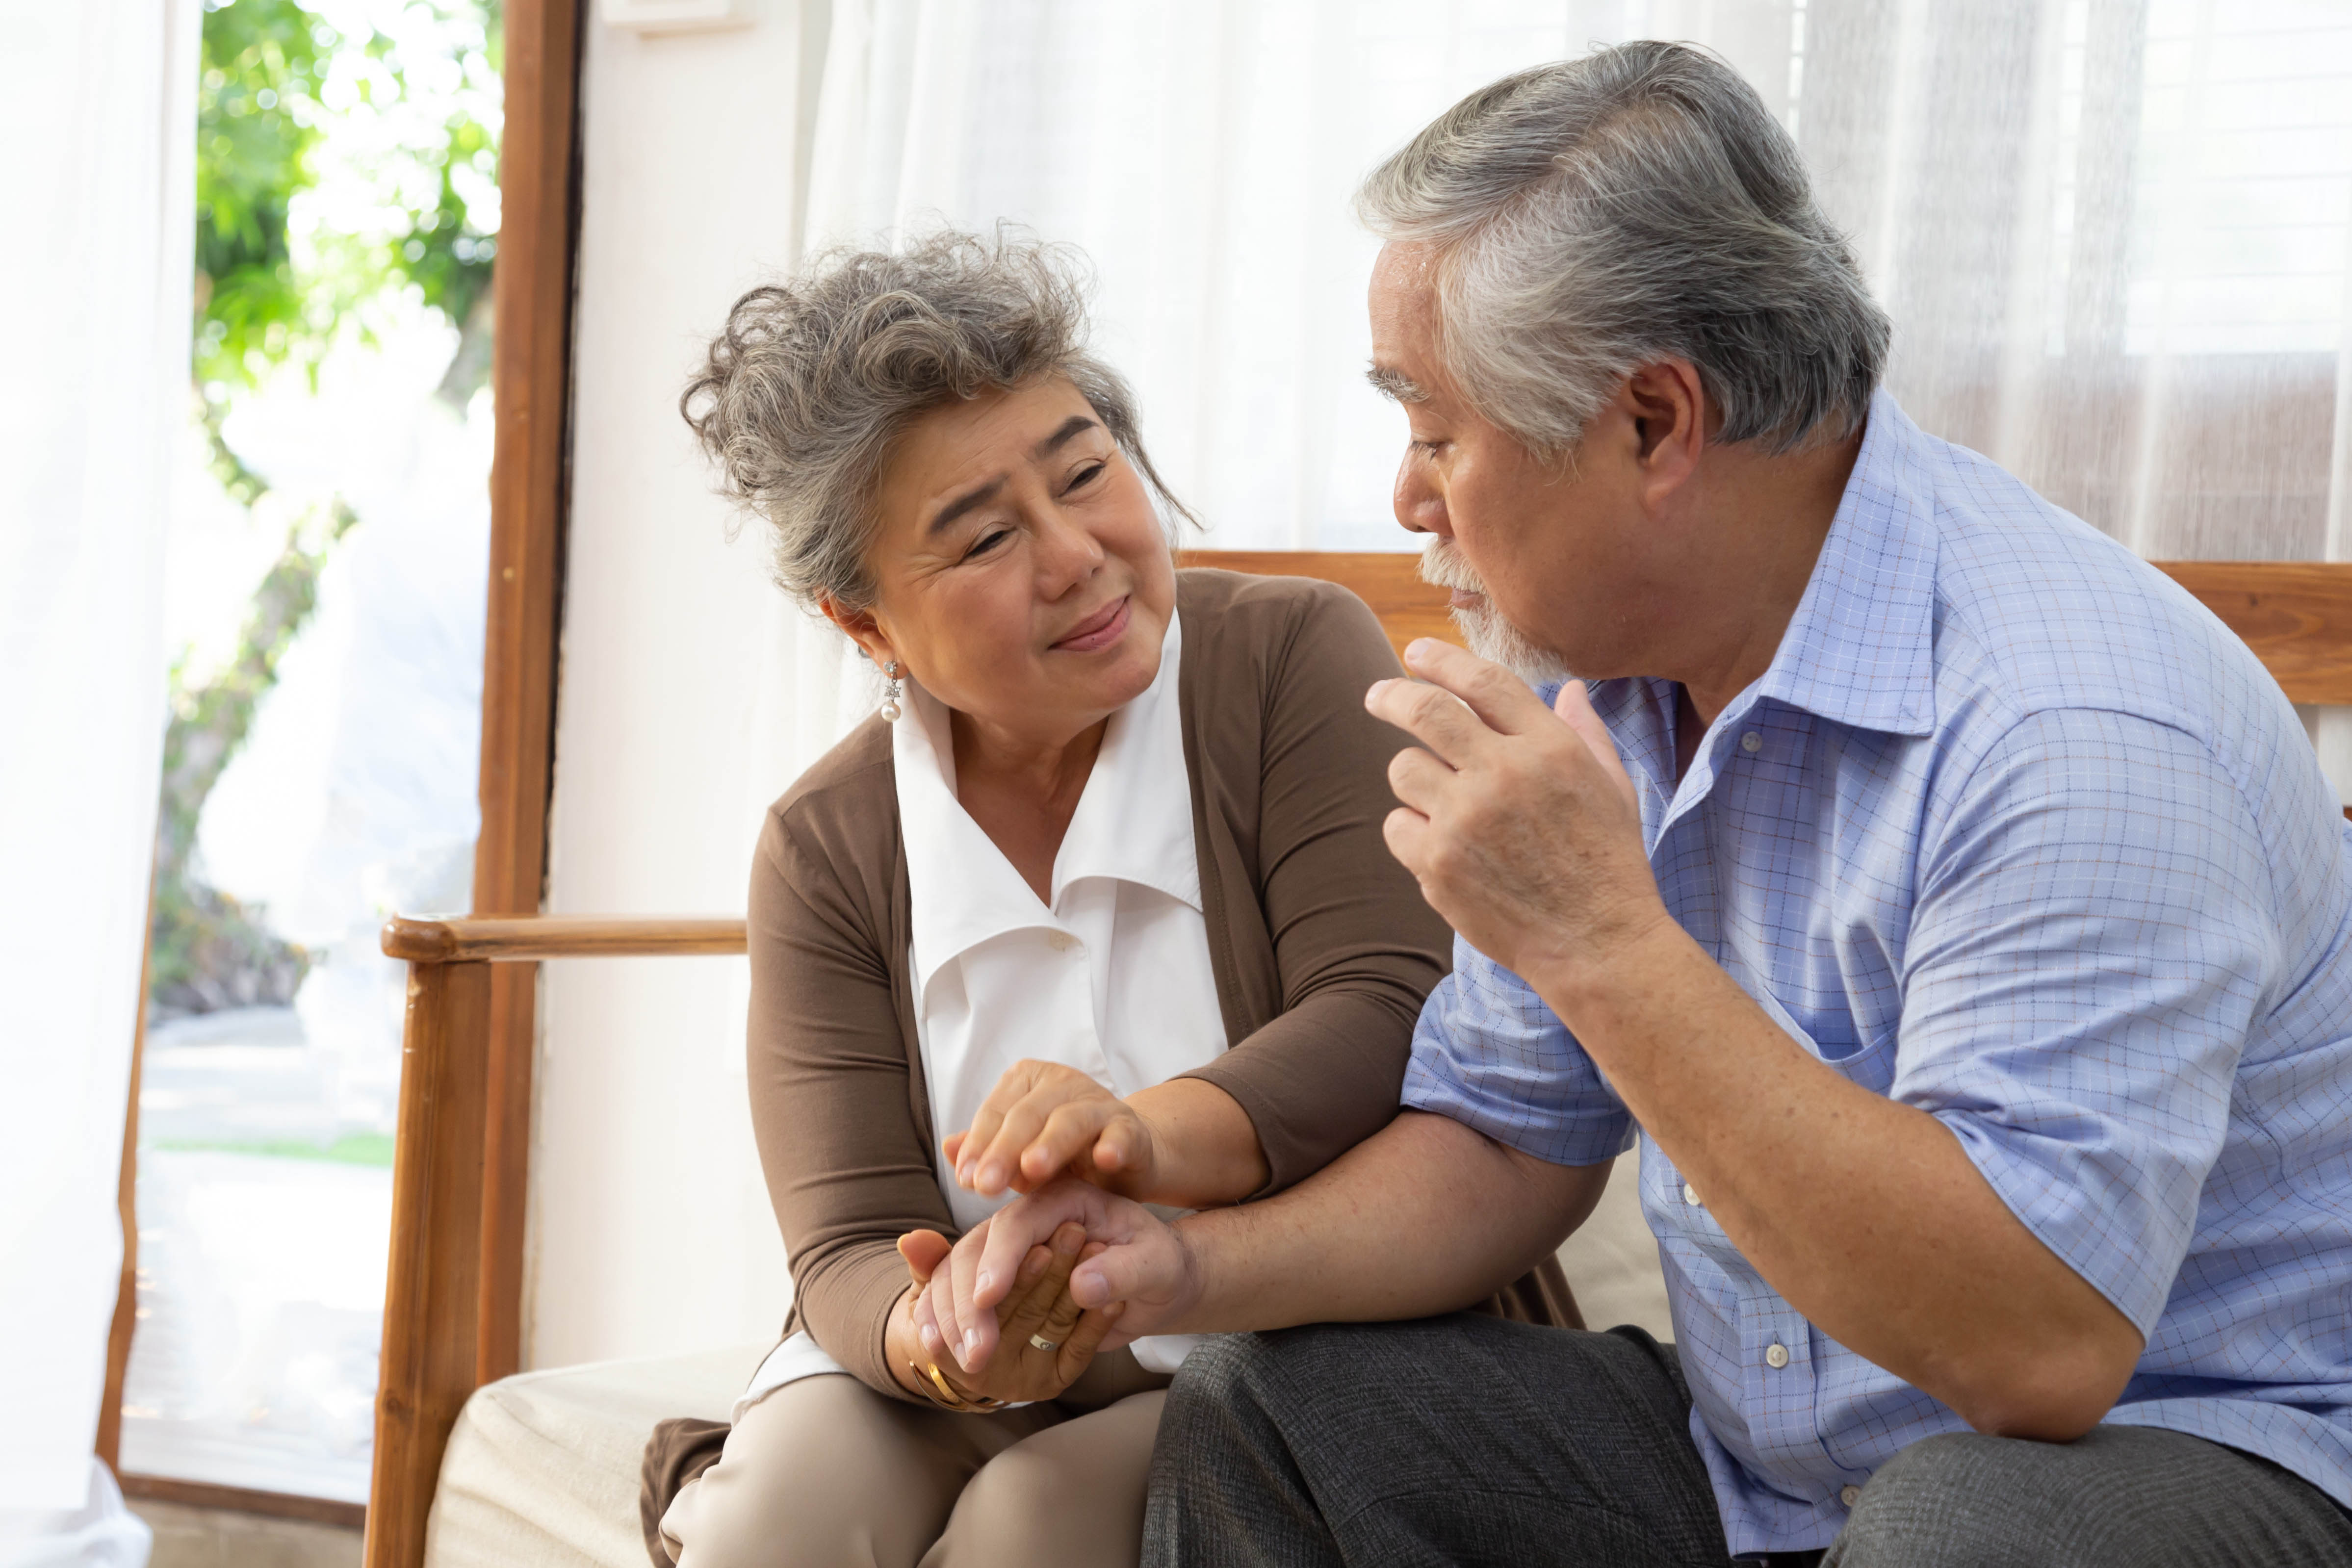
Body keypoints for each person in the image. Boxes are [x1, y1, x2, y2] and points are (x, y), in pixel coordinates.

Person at [919, 44, 2352, 1568]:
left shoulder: (2070, 723)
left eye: (1434, 431)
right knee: (1281, 1406)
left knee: (1968, 1527)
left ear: (1653, 425)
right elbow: (1502, 1139)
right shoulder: (1603, 684)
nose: (1409, 499)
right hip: (1776, 1477)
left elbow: (2031, 1355)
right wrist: (1182, 1268)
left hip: (2185, 1465)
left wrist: (1599, 934)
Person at [638, 232, 1578, 1568]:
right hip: (970, 1370)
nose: (1076, 554)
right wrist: (945, 1333)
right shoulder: (825, 844)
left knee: (1036, 1523)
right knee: (773, 1527)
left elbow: (1386, 1010)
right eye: (982, 538)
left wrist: (1129, 1138)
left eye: (1086, 474)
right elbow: (845, 1244)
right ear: (864, 624)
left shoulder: (1286, 657)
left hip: (1276, 1339)